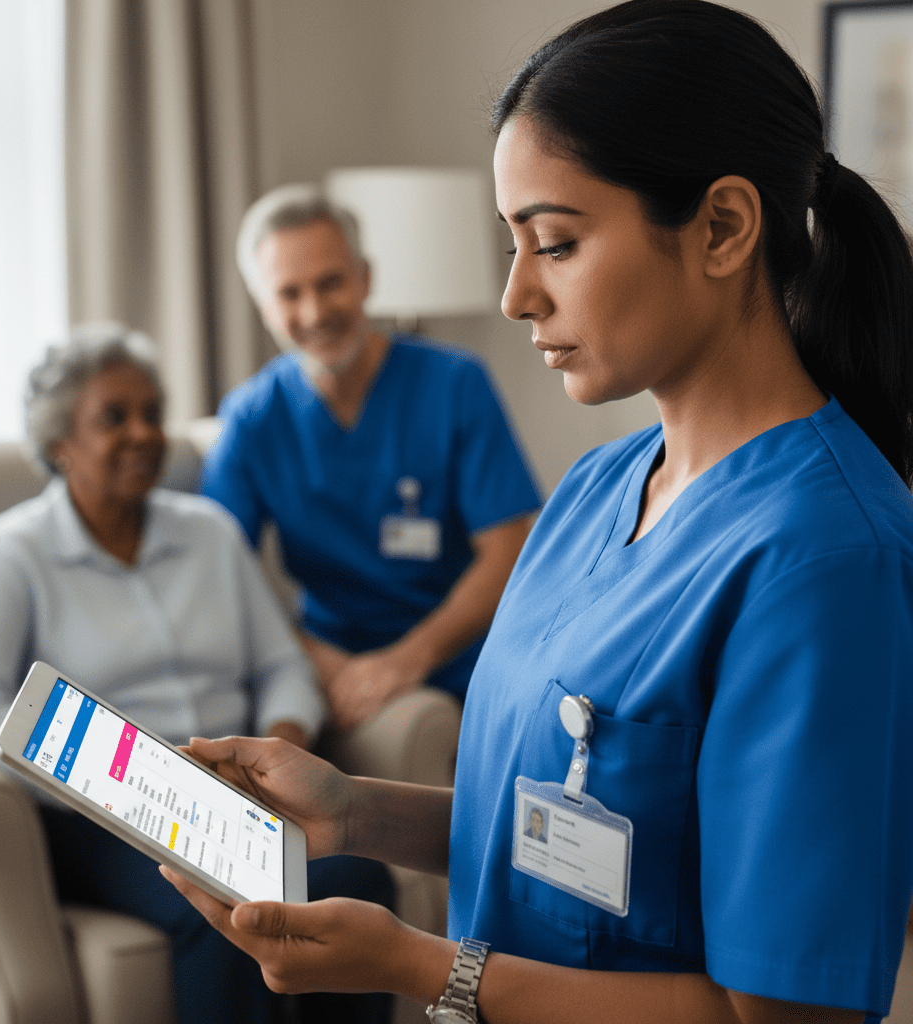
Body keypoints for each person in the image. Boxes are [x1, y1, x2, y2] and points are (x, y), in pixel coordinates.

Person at [161, 2, 913, 1022]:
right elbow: (559, 826)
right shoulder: (598, 488)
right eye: (511, 244)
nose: (515, 294)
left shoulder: (824, 561)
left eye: (552, 242)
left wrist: (420, 967)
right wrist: (352, 810)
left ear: (723, 227)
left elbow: (780, 1016)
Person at [0, 325, 394, 1024]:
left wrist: (277, 750)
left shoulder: (210, 532)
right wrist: (117, 774)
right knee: (225, 908)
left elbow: (281, 667)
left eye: (151, 412)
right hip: (102, 813)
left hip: (236, 794)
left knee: (357, 879)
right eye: (114, 418)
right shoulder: (12, 553)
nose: (145, 433)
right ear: (60, 443)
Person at [199, 184, 542, 727]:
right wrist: (319, 663)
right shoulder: (253, 417)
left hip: (461, 659)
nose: (313, 311)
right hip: (326, 664)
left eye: (330, 283)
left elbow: (508, 551)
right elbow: (215, 567)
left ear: (365, 279)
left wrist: (406, 662)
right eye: (289, 294)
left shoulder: (454, 383)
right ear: (265, 307)